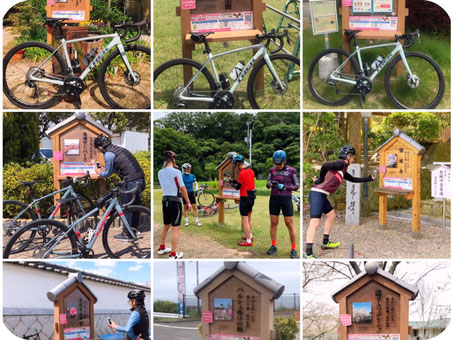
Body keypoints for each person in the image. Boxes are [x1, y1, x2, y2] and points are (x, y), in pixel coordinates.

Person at [304, 145, 375, 259]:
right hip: (317, 193)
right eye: (352, 157)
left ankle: (325, 243)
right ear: (348, 156)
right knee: (315, 222)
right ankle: (308, 253)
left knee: (332, 215)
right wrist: (320, 179)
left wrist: (368, 178)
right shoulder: (341, 163)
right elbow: (325, 165)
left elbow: (353, 179)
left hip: (322, 195)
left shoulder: (343, 168)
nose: (353, 160)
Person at [94, 134, 145, 241]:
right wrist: (106, 169)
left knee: (125, 208)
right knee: (135, 207)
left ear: (100, 147)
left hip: (131, 182)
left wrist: (99, 172)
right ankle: (134, 230)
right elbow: (118, 168)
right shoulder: (118, 149)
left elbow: (106, 174)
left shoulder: (108, 154)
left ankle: (127, 234)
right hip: (139, 180)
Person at [157, 151, 192, 259]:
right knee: (175, 228)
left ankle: (162, 247)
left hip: (165, 201)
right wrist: (188, 202)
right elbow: (182, 188)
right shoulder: (176, 172)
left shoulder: (160, 172)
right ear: (173, 160)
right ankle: (173, 254)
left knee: (166, 226)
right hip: (175, 201)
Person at [265, 150, 299, 259]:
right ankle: (273, 245)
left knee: (289, 223)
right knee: (274, 222)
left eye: (280, 164)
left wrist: (285, 187)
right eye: (276, 164)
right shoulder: (271, 170)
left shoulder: (292, 171)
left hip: (286, 198)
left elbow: (296, 186)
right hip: (274, 198)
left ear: (285, 161)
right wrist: (270, 184)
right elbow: (267, 184)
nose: (278, 166)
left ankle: (293, 249)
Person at [230, 154, 256, 247]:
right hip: (252, 197)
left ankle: (248, 241)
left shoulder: (242, 173)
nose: (235, 167)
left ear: (238, 163)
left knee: (244, 220)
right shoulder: (251, 171)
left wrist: (232, 184)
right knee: (249, 218)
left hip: (244, 198)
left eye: (235, 164)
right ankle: (250, 236)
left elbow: (238, 187)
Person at [182, 163, 202, 227]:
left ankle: (197, 221)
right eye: (189, 168)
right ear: (186, 169)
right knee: (185, 207)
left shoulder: (192, 176)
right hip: (184, 193)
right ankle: (187, 221)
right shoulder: (181, 176)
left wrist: (196, 190)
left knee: (194, 207)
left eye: (190, 168)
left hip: (191, 192)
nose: (190, 169)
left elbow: (196, 183)